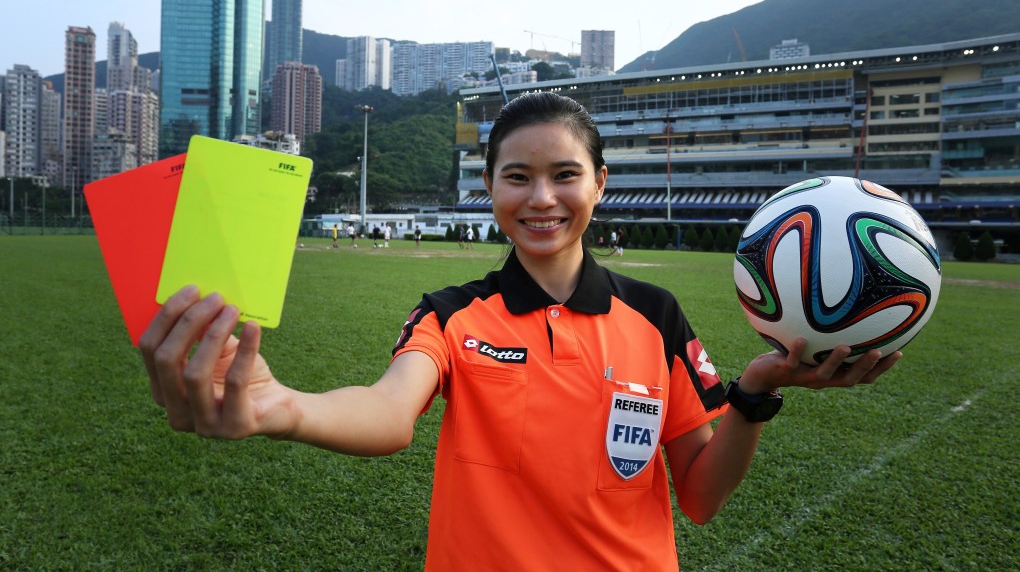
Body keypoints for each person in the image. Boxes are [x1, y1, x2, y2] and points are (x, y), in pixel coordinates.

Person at [139, 92, 900, 571]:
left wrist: (756, 395)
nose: (542, 197)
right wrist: (286, 407)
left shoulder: (657, 316)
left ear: (600, 185)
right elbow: (389, 409)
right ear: (490, 187)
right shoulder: (450, 312)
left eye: (565, 174)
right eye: (517, 176)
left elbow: (699, 497)